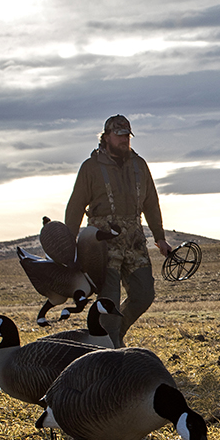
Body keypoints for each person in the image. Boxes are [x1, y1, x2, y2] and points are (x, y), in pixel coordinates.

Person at [65, 114, 172, 347]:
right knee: (109, 301)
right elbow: (75, 207)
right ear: (106, 137)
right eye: (119, 136)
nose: (125, 140)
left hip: (134, 240)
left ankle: (112, 337)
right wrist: (68, 245)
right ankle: (111, 350)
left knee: (144, 295)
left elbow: (151, 204)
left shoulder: (139, 165)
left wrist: (160, 238)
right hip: (102, 245)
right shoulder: (90, 168)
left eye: (127, 136)